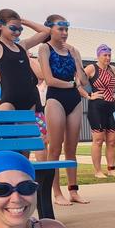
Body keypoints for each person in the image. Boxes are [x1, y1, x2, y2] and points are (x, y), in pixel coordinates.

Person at [38, 14, 89, 205]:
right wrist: (72, 85)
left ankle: (73, 190)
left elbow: (84, 81)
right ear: (50, 29)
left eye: (66, 29)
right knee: (55, 147)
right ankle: (56, 192)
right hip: (55, 99)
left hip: (73, 100)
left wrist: (76, 59)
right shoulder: (45, 48)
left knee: (71, 148)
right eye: (61, 29)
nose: (65, 33)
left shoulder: (72, 50)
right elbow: (49, 79)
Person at [0, 10, 48, 113]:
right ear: (0, 26)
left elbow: (46, 31)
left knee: (27, 130)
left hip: (30, 101)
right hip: (9, 102)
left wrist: (23, 21)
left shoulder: (22, 45)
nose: (17, 32)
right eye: (13, 28)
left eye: (20, 29)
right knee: (7, 129)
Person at [80, 44, 115, 178]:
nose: (107, 58)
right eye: (105, 55)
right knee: (98, 139)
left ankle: (111, 169)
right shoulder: (91, 68)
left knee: (112, 140)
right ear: (98, 56)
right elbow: (77, 84)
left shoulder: (113, 69)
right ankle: (98, 171)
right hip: (96, 107)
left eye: (109, 55)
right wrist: (88, 96)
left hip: (111, 106)